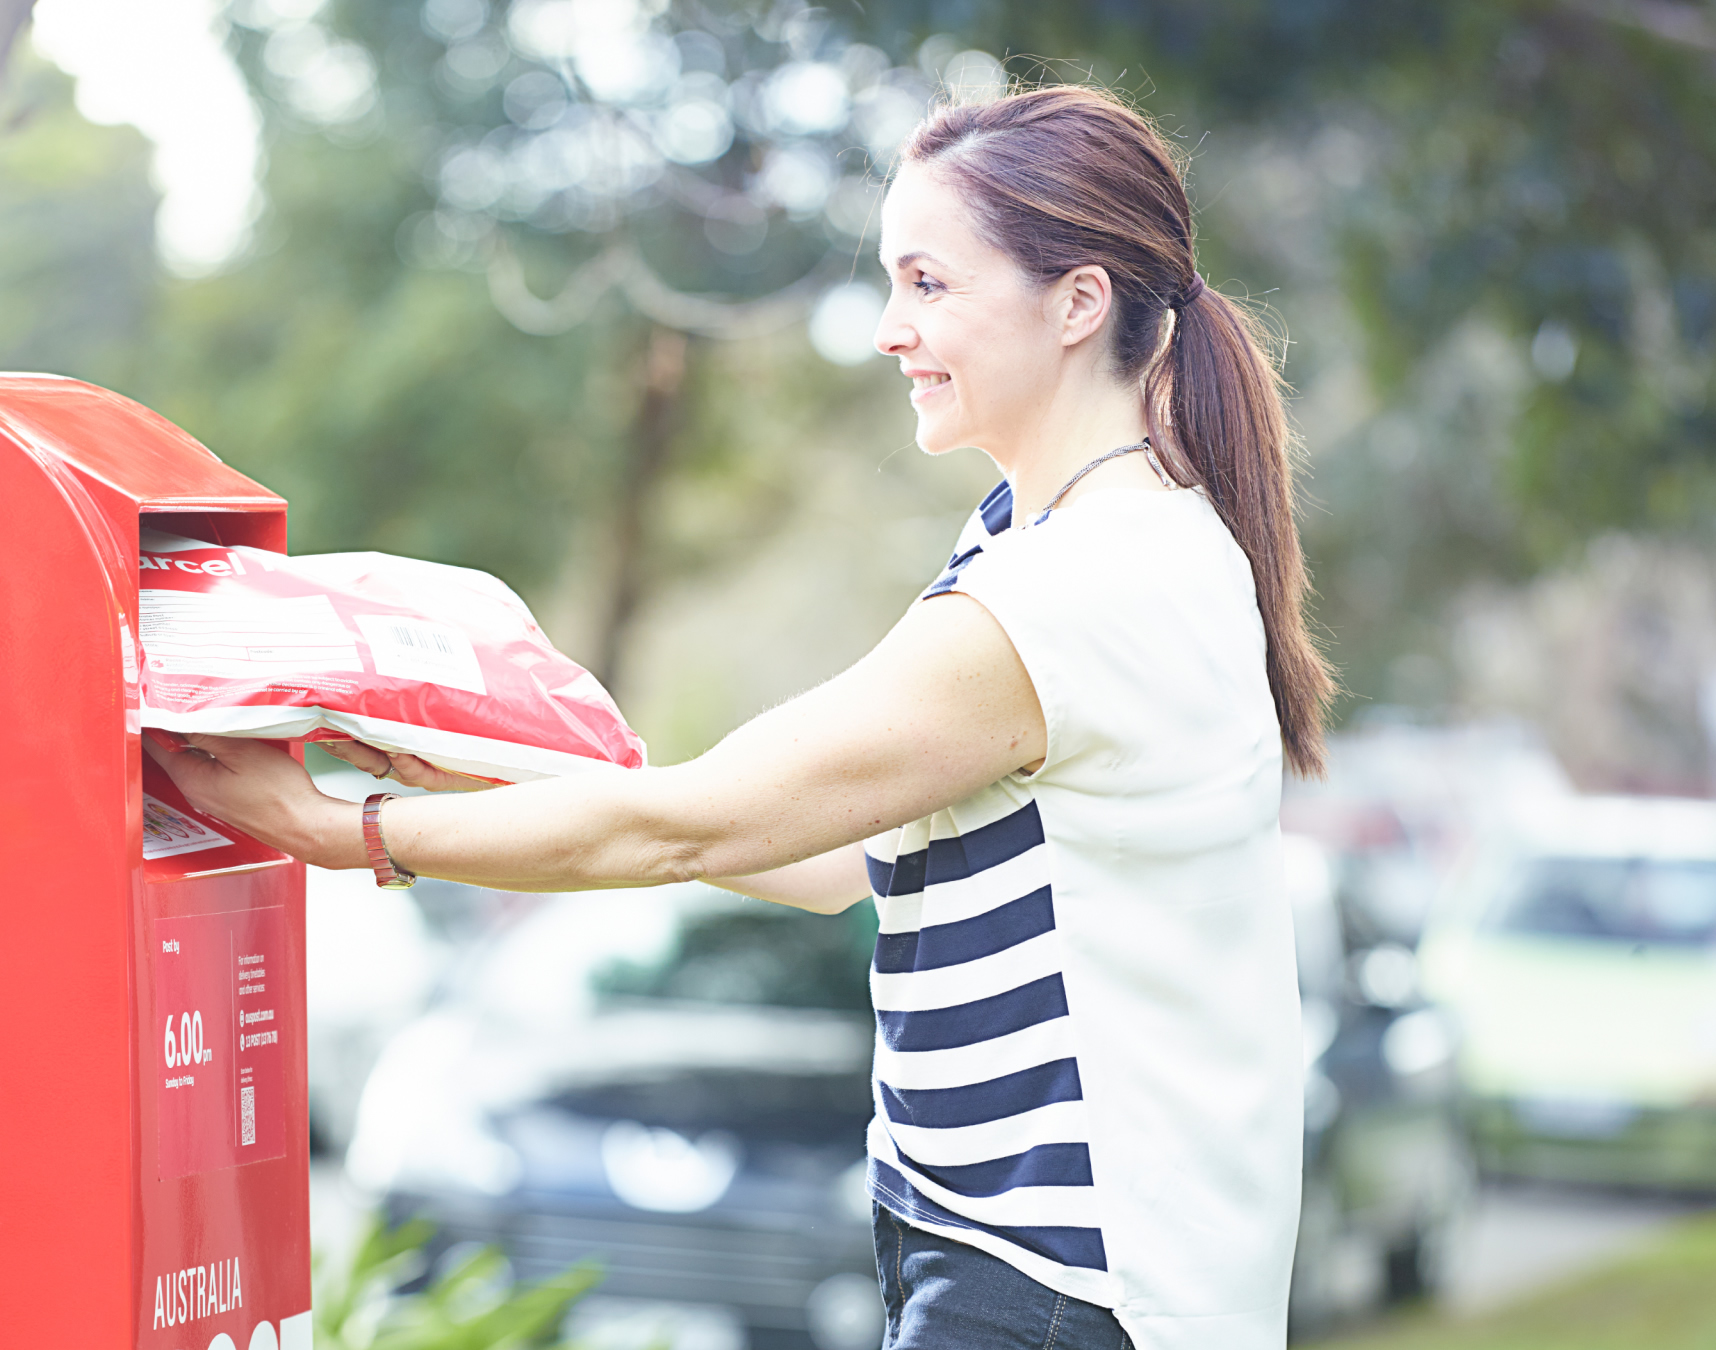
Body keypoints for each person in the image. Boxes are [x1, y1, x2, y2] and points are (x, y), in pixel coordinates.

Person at [165, 82, 1332, 1350]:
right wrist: (476, 772)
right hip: (1028, 1265)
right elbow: (830, 854)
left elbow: (695, 828)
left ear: (1077, 301)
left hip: (1058, 1287)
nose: (891, 329)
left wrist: (351, 831)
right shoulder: (1076, 541)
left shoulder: (1078, 586)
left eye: (930, 284)